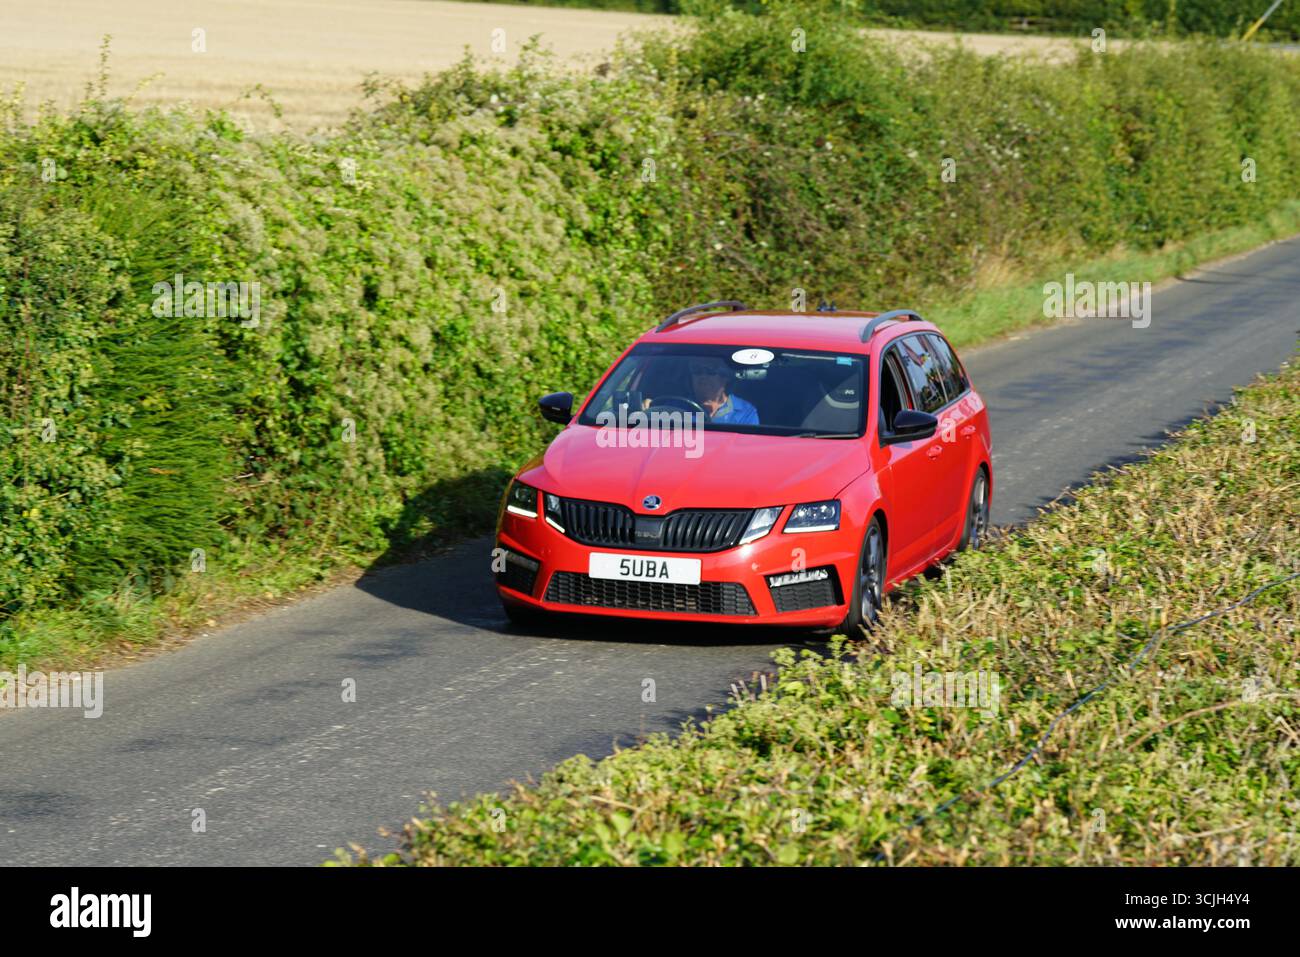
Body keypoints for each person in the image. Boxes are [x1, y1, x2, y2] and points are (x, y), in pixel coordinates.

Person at [688, 357, 759, 425]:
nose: (703, 376)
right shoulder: (681, 407)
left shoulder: (745, 412)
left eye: (710, 371)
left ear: (725, 377)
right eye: (697, 370)